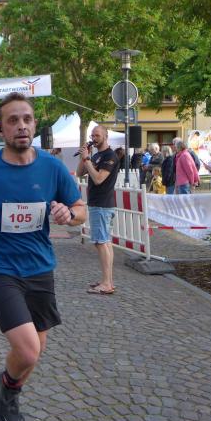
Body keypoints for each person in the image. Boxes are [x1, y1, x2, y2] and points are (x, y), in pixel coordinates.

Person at [0, 92, 86, 421]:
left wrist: (68, 214)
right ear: (1, 129)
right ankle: (9, 391)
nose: (21, 126)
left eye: (26, 119)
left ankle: (9, 388)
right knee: (27, 351)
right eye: (12, 120)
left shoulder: (52, 167)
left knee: (37, 348)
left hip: (40, 266)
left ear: (34, 125)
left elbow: (80, 210)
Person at [76, 125, 119, 295]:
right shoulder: (96, 155)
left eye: (97, 135)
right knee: (105, 242)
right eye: (92, 135)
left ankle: (107, 284)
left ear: (105, 136)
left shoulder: (110, 156)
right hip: (97, 203)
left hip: (102, 204)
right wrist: (84, 156)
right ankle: (107, 281)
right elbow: (80, 173)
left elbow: (99, 179)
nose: (93, 138)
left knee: (101, 242)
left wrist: (87, 159)